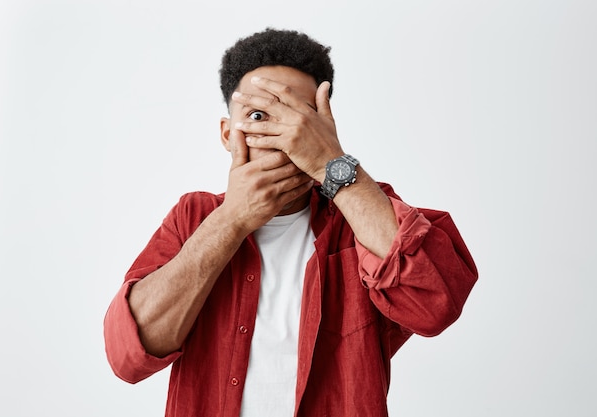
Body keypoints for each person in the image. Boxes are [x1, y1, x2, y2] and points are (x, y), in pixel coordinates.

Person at [104, 28, 478, 417]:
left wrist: (333, 166)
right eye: (259, 116)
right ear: (228, 134)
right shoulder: (194, 217)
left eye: (299, 118)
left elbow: (436, 305)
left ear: (323, 129)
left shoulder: (363, 216)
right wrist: (232, 220)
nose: (282, 135)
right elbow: (127, 356)